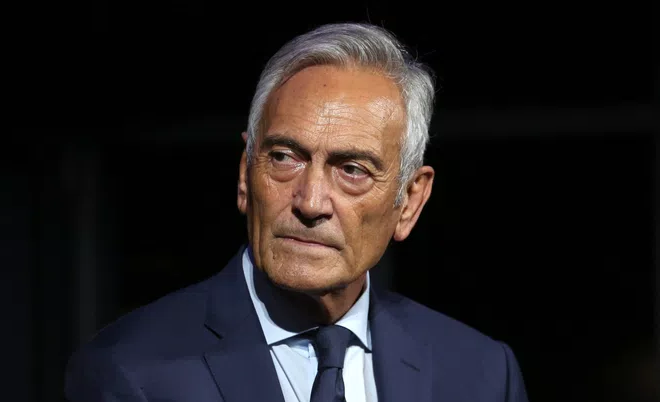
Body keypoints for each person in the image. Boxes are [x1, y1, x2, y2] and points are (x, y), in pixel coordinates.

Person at [65, 22, 529, 402]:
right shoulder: (130, 373)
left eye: (352, 170)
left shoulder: (482, 374)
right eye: (285, 158)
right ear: (245, 175)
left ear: (409, 202)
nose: (310, 202)